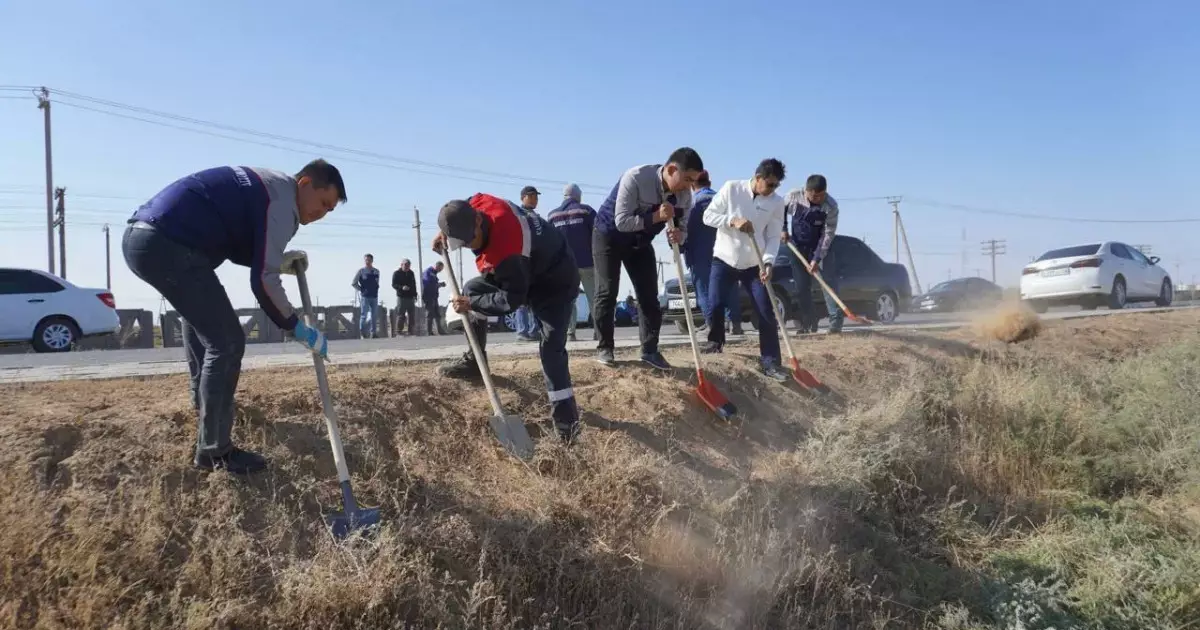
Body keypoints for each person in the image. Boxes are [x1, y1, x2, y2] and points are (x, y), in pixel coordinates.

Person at [122, 159, 345, 474]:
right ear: (305, 183)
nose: (321, 214)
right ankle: (214, 451)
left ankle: (206, 411)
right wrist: (297, 327)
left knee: (204, 324)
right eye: (323, 203)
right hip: (167, 243)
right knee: (226, 341)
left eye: (329, 211)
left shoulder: (270, 186)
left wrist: (277, 260)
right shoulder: (281, 202)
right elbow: (263, 281)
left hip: (146, 236)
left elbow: (242, 244)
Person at [432, 192, 582, 443]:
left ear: (479, 222)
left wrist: (471, 305)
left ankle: (568, 427)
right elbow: (462, 207)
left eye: (469, 241)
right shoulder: (477, 205)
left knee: (551, 351)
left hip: (555, 281)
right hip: (524, 269)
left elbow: (511, 300)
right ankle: (474, 362)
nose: (469, 247)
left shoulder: (506, 249)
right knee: (472, 289)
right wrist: (445, 232)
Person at [592, 147, 705, 369]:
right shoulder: (635, 178)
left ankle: (650, 350)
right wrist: (656, 216)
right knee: (607, 291)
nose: (689, 186)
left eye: (694, 181)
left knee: (649, 296)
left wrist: (679, 235)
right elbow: (621, 221)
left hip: (640, 242)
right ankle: (605, 348)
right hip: (609, 236)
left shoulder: (684, 196)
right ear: (672, 169)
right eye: (687, 179)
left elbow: (683, 230)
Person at [701, 158, 790, 381]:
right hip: (724, 258)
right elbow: (707, 217)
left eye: (776, 186)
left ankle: (770, 361)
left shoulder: (777, 203)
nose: (772, 190)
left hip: (754, 264)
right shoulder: (732, 188)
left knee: (765, 311)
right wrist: (733, 221)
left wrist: (768, 262)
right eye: (769, 184)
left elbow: (772, 236)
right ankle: (715, 344)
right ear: (757, 177)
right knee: (716, 303)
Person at [681, 170, 743, 335]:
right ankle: (735, 323)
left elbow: (684, 230)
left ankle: (713, 326)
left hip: (698, 254)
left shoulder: (692, 204)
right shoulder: (722, 201)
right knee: (729, 287)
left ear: (693, 184)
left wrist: (681, 247)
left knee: (704, 291)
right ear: (709, 182)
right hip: (725, 251)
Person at [783, 174, 843, 334]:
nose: (818, 199)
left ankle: (835, 323)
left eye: (822, 195)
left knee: (828, 283)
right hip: (797, 248)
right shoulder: (793, 196)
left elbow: (828, 234)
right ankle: (808, 323)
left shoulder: (831, 205)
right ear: (806, 191)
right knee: (802, 287)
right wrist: (783, 229)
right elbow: (779, 211)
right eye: (814, 196)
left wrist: (817, 258)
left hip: (821, 248)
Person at [547, 183, 598, 342]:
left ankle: (570, 333)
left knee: (569, 300)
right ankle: (599, 331)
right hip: (587, 262)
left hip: (565, 266)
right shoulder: (586, 211)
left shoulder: (552, 216)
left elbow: (549, 242)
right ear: (578, 196)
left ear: (564, 196)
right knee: (594, 298)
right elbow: (599, 234)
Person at [512, 185, 542, 341]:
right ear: (523, 197)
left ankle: (534, 330)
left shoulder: (535, 216)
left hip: (534, 261)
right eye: (531, 196)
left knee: (534, 297)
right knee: (522, 299)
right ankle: (522, 331)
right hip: (522, 260)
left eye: (536, 197)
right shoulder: (519, 214)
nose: (534, 199)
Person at [351, 253, 380, 338]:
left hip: (374, 296)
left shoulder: (376, 271)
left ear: (372, 260)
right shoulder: (361, 271)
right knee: (364, 315)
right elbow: (354, 283)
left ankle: (373, 333)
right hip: (365, 296)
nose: (368, 261)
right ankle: (362, 332)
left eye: (369, 260)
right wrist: (362, 289)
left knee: (374, 315)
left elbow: (377, 282)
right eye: (366, 260)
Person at [391, 258, 418, 336]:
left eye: (408, 265)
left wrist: (415, 294)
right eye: (405, 265)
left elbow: (414, 284)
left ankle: (411, 331)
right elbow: (394, 284)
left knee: (412, 315)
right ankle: (399, 331)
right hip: (401, 297)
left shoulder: (411, 273)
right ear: (401, 265)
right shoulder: (397, 273)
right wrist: (402, 287)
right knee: (401, 315)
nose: (407, 267)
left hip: (410, 297)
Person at [422, 261, 447, 335]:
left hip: (434, 296)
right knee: (430, 314)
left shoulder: (434, 274)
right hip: (428, 296)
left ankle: (440, 331)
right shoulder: (428, 271)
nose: (440, 271)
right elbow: (427, 283)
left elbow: (434, 284)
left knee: (437, 314)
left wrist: (439, 285)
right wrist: (439, 284)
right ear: (437, 266)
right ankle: (429, 332)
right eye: (440, 269)